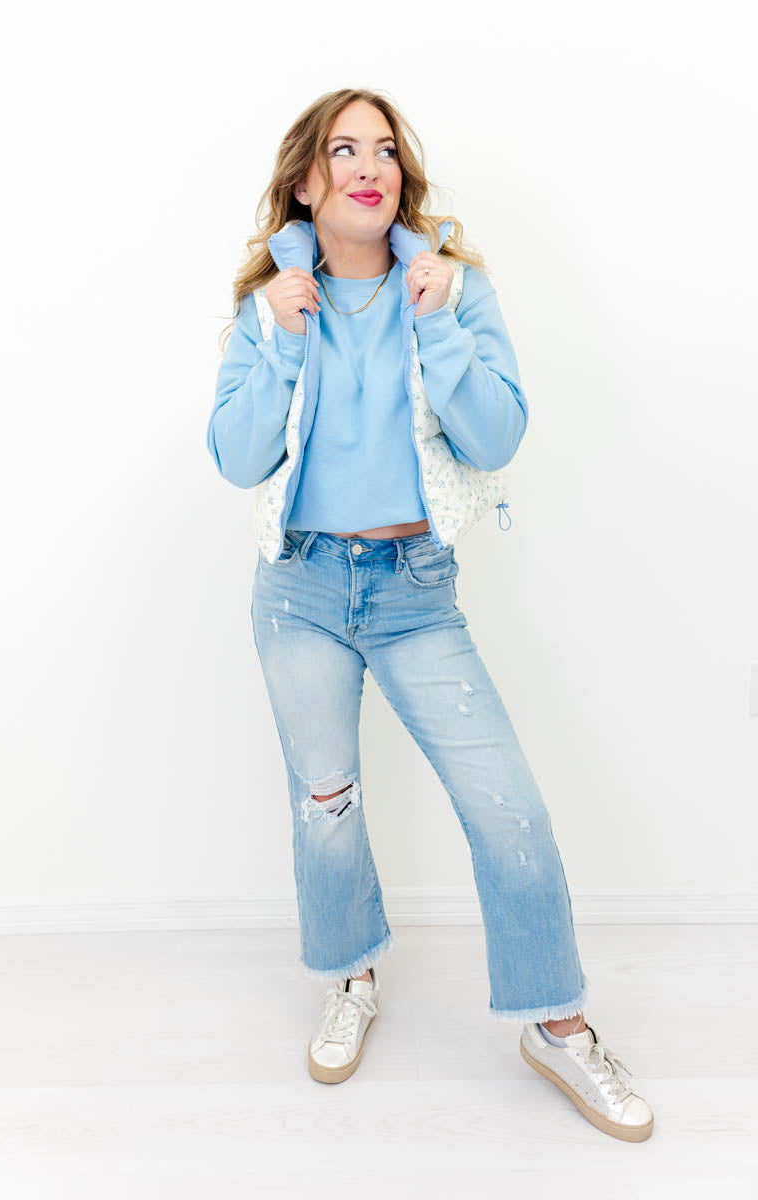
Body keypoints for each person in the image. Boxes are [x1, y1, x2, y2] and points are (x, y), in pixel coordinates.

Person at [205, 88, 654, 1142]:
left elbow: (495, 439)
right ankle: (349, 975)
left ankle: (556, 1025)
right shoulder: (271, 303)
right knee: (326, 805)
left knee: (508, 811)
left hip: (413, 591)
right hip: (300, 588)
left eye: (385, 150)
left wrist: (441, 321)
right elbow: (236, 458)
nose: (369, 166)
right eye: (342, 150)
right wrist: (280, 337)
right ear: (306, 181)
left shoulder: (450, 287)